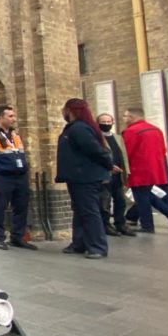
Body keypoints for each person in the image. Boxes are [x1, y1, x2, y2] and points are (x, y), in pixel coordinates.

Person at [55, 98, 112, 259]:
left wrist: (108, 164)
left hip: (85, 177)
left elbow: (95, 150)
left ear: (70, 110)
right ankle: (79, 243)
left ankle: (98, 246)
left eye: (64, 109)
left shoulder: (79, 129)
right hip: (78, 177)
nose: (62, 112)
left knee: (89, 211)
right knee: (80, 210)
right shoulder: (74, 128)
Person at [121, 107, 168, 233]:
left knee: (142, 198)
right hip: (158, 169)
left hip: (140, 170)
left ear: (132, 117)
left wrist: (123, 169)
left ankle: (149, 224)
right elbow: (163, 150)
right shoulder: (155, 129)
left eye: (125, 116)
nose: (124, 119)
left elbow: (126, 153)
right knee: (162, 194)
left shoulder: (131, 132)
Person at [0, 105, 37, 251]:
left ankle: (17, 237)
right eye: (10, 116)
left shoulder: (15, 135)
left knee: (21, 207)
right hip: (2, 177)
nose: (14, 119)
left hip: (20, 177)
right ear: (0, 118)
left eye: (14, 116)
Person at [96, 113, 135, 237]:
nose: (106, 124)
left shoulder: (118, 137)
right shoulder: (96, 137)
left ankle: (120, 223)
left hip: (118, 175)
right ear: (98, 123)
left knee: (120, 200)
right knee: (105, 202)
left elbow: (123, 154)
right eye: (103, 122)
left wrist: (126, 171)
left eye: (109, 122)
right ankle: (106, 224)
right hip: (105, 174)